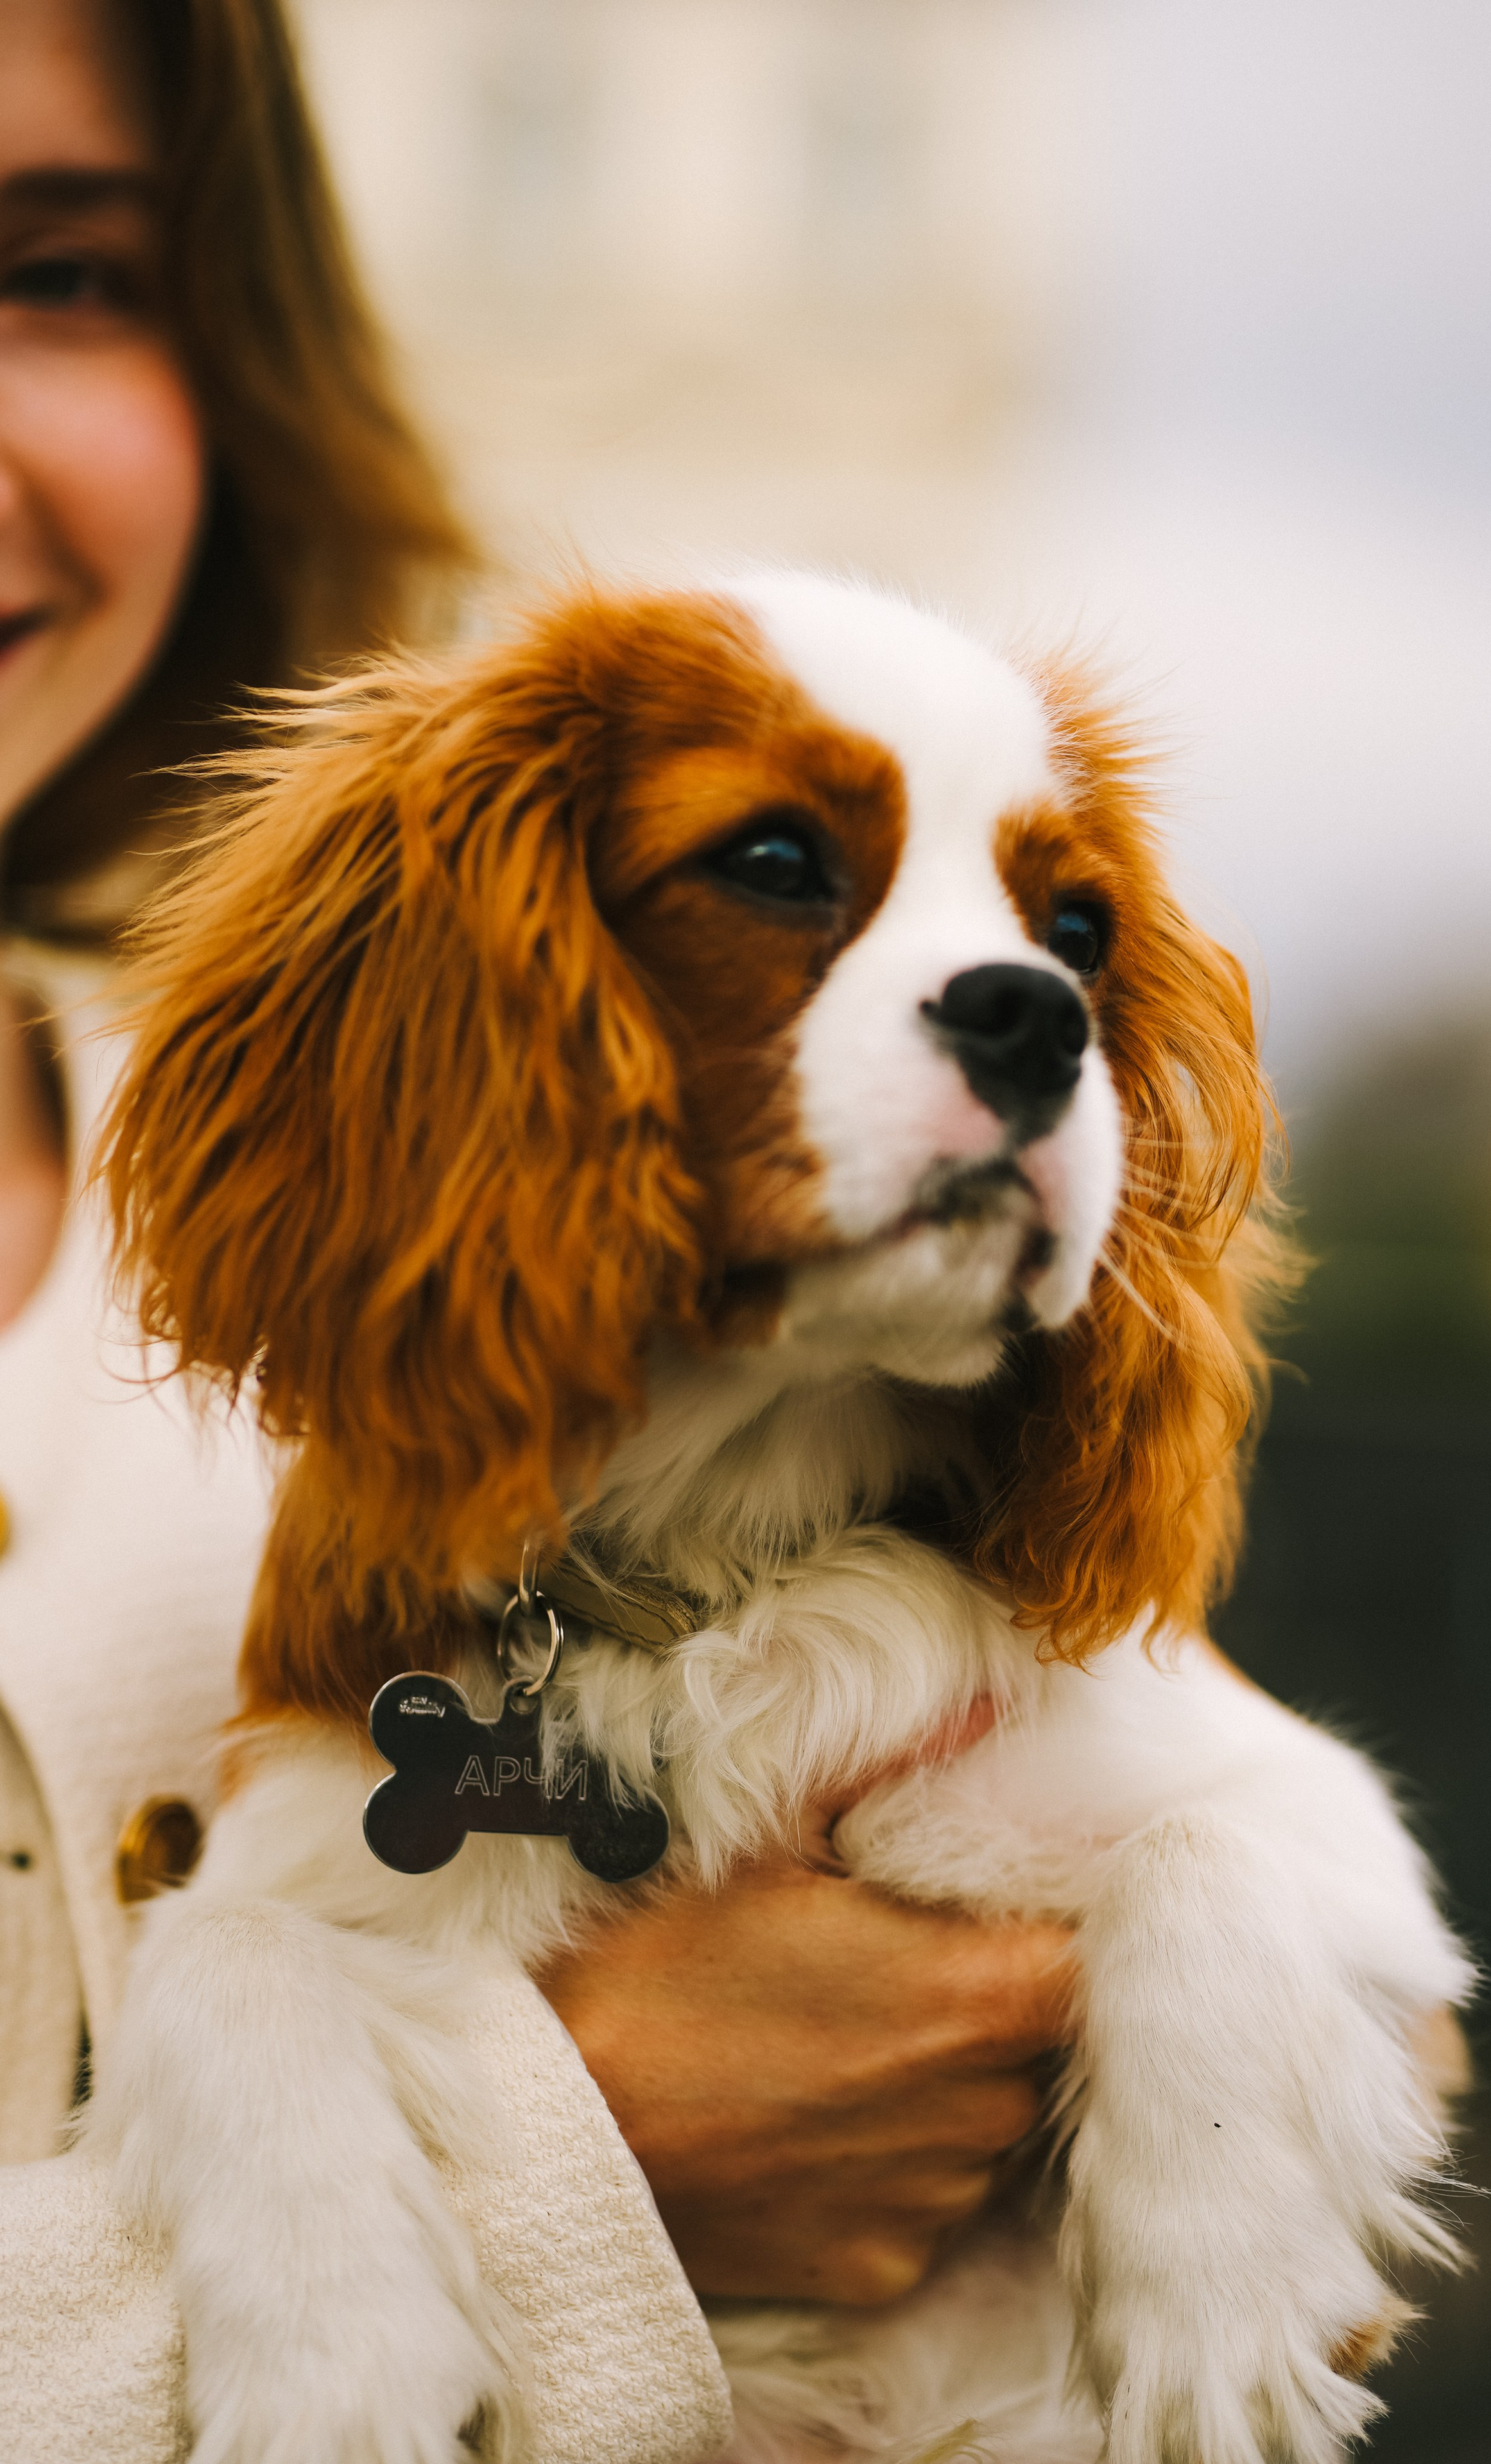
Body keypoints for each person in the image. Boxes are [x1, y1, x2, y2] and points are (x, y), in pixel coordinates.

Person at [0, 0, 1075, 2447]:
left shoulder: (398, 1140)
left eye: (59, 272)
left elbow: (1313, 2033)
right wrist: (583, 2168)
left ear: (241, 358)